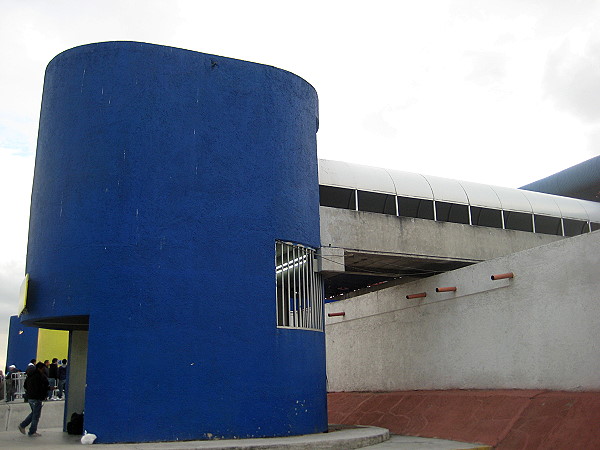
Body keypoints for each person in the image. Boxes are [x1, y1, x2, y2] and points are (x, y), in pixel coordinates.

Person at [18, 362, 49, 437]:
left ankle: (23, 425)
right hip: (37, 398)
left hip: (30, 397)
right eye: (43, 369)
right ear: (39, 368)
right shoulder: (40, 376)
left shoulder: (30, 376)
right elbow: (43, 386)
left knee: (34, 413)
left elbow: (25, 385)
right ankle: (31, 431)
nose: (43, 370)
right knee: (36, 415)